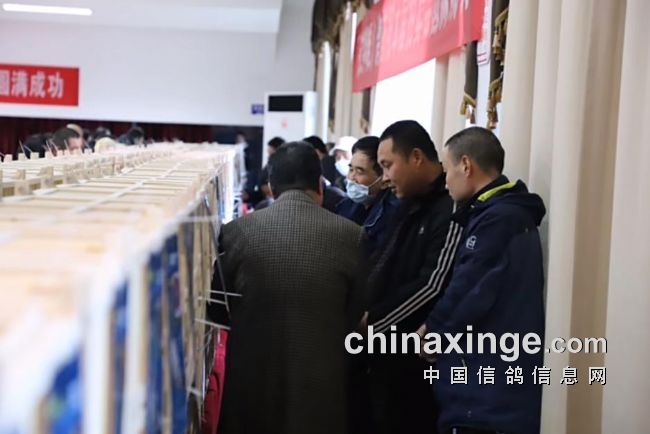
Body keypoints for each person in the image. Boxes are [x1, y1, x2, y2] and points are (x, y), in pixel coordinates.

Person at [210, 141, 367, 434]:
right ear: (320, 184)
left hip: (251, 390)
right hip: (321, 394)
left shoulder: (235, 234)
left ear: (271, 186)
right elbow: (355, 312)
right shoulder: (353, 237)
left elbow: (217, 311)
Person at [419, 127, 546, 434]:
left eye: (447, 170)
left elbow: (469, 288)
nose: (445, 181)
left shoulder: (498, 218)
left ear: (466, 165)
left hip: (487, 395)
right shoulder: (501, 213)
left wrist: (432, 330)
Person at [365, 120, 462, 434]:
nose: (384, 177)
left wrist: (372, 322)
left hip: (414, 360)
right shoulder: (407, 203)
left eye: (387, 165)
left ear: (417, 157)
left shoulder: (449, 208)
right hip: (385, 354)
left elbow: (432, 285)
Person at [336, 136, 401, 259]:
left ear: (382, 179)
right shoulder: (345, 205)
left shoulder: (392, 214)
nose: (351, 178)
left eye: (360, 171)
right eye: (351, 169)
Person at [255, 136, 286, 210]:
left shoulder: (283, 166)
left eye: (271, 153)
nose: (269, 156)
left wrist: (269, 190)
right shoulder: (270, 164)